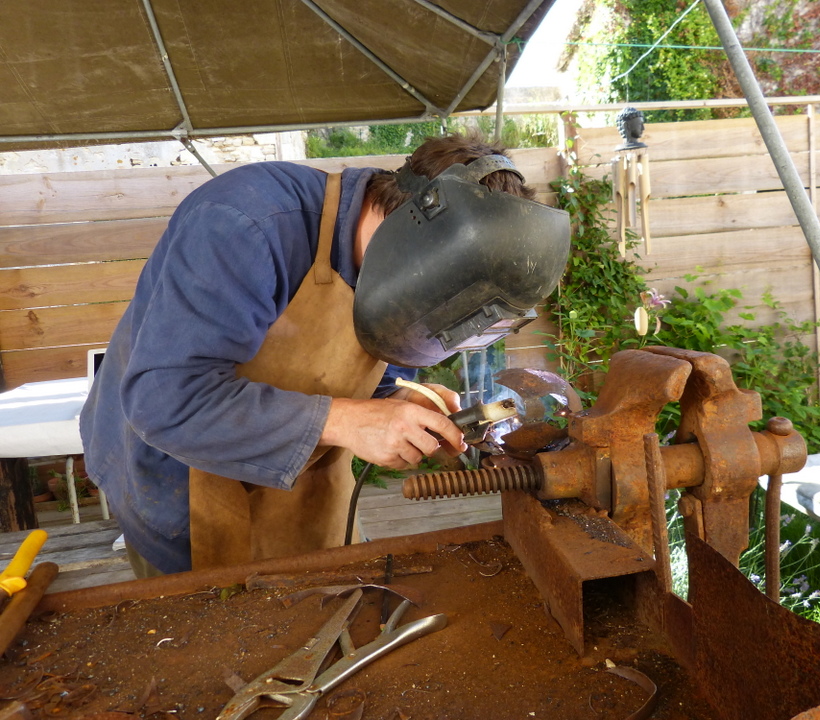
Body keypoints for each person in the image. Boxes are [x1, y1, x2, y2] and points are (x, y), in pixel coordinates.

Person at [80, 133, 570, 577]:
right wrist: (351, 423)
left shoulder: (395, 277)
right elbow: (164, 401)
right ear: (418, 231)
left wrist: (403, 404)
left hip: (304, 489)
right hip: (176, 476)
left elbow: (365, 377)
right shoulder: (245, 224)